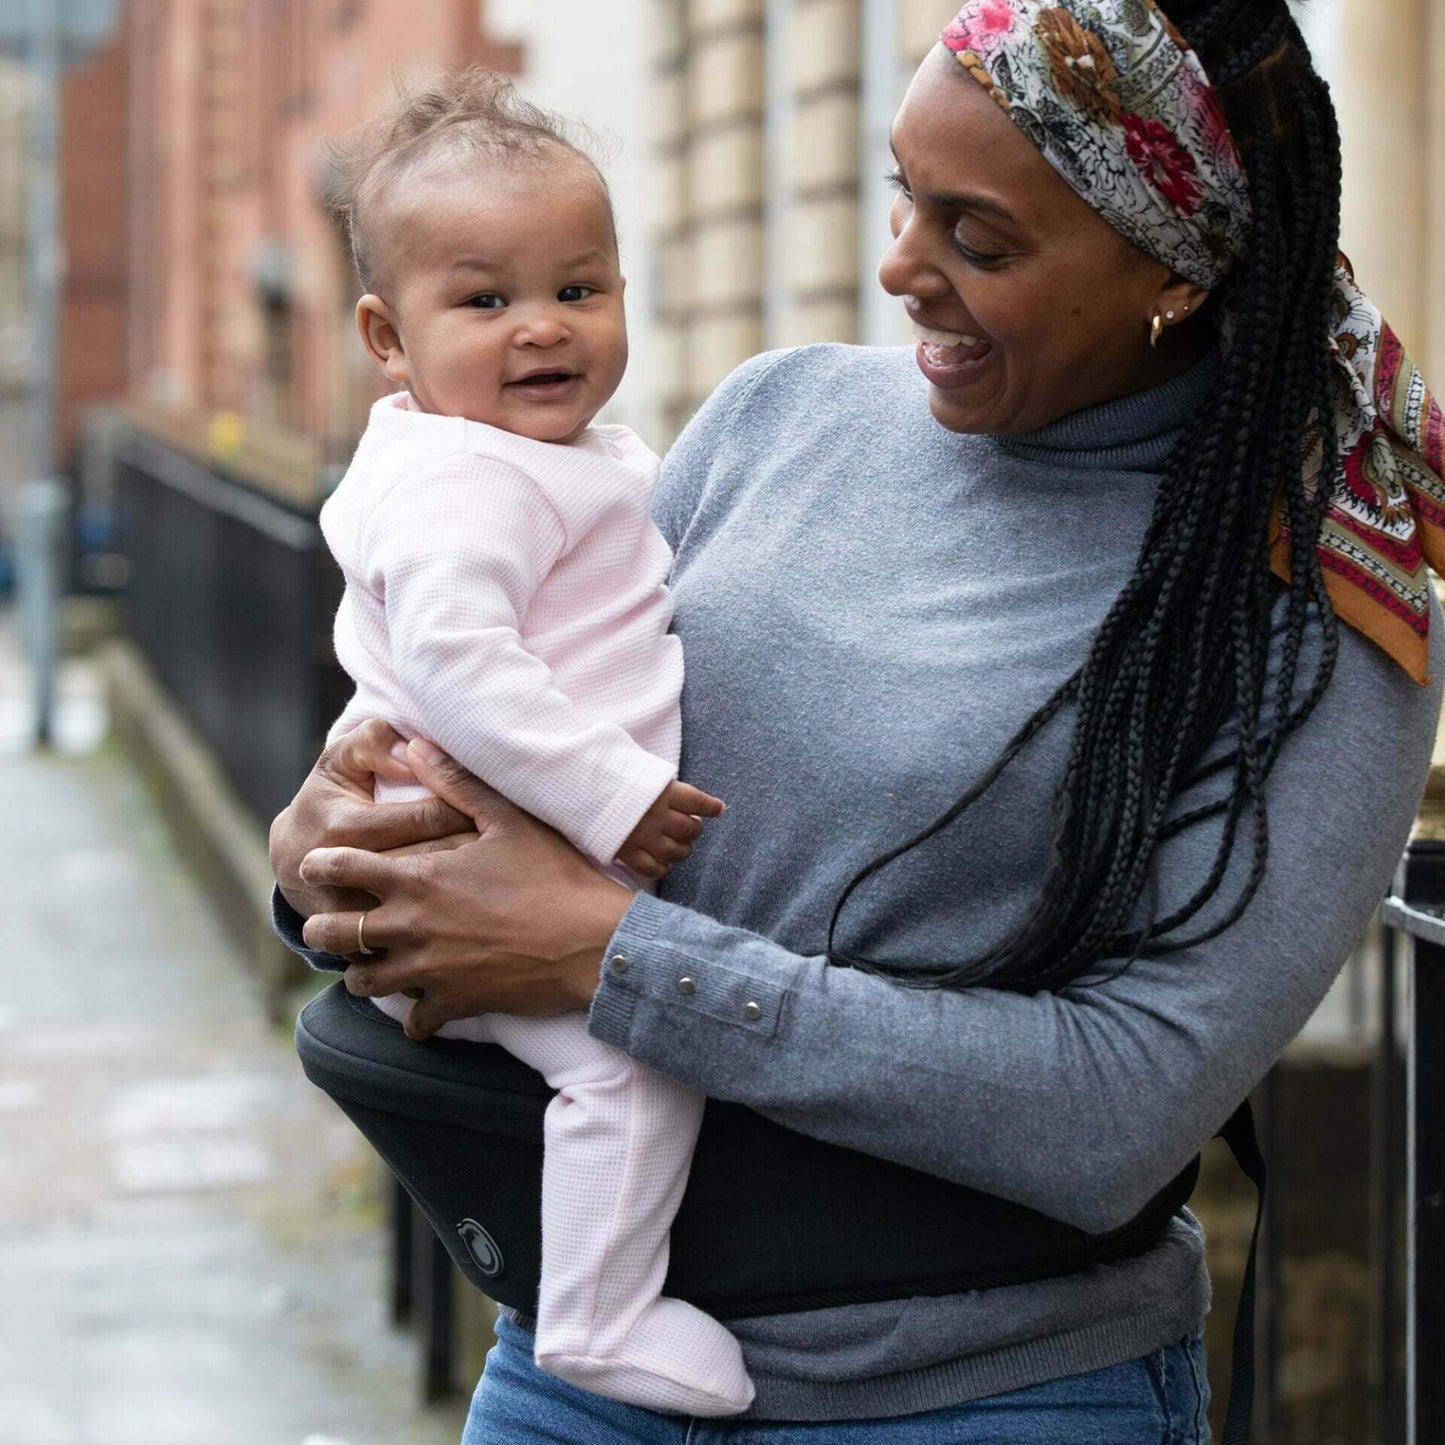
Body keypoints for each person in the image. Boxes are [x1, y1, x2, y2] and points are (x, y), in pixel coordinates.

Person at [271, 1, 1445, 1441]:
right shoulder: (781, 420)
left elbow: (1120, 1110)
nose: (898, 266)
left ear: (1170, 273)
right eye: (905, 194)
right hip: (574, 1374)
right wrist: (325, 856)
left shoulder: (1309, 608)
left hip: (980, 1399)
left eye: (979, 239)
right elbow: (530, 714)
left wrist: (613, 960)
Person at [311, 73, 752, 1417]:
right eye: (485, 301)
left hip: (494, 854)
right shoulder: (462, 481)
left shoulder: (540, 455)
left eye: (578, 288)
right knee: (630, 1065)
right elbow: (459, 669)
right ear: (388, 336)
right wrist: (616, 794)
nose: (543, 327)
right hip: (460, 862)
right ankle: (596, 1314)